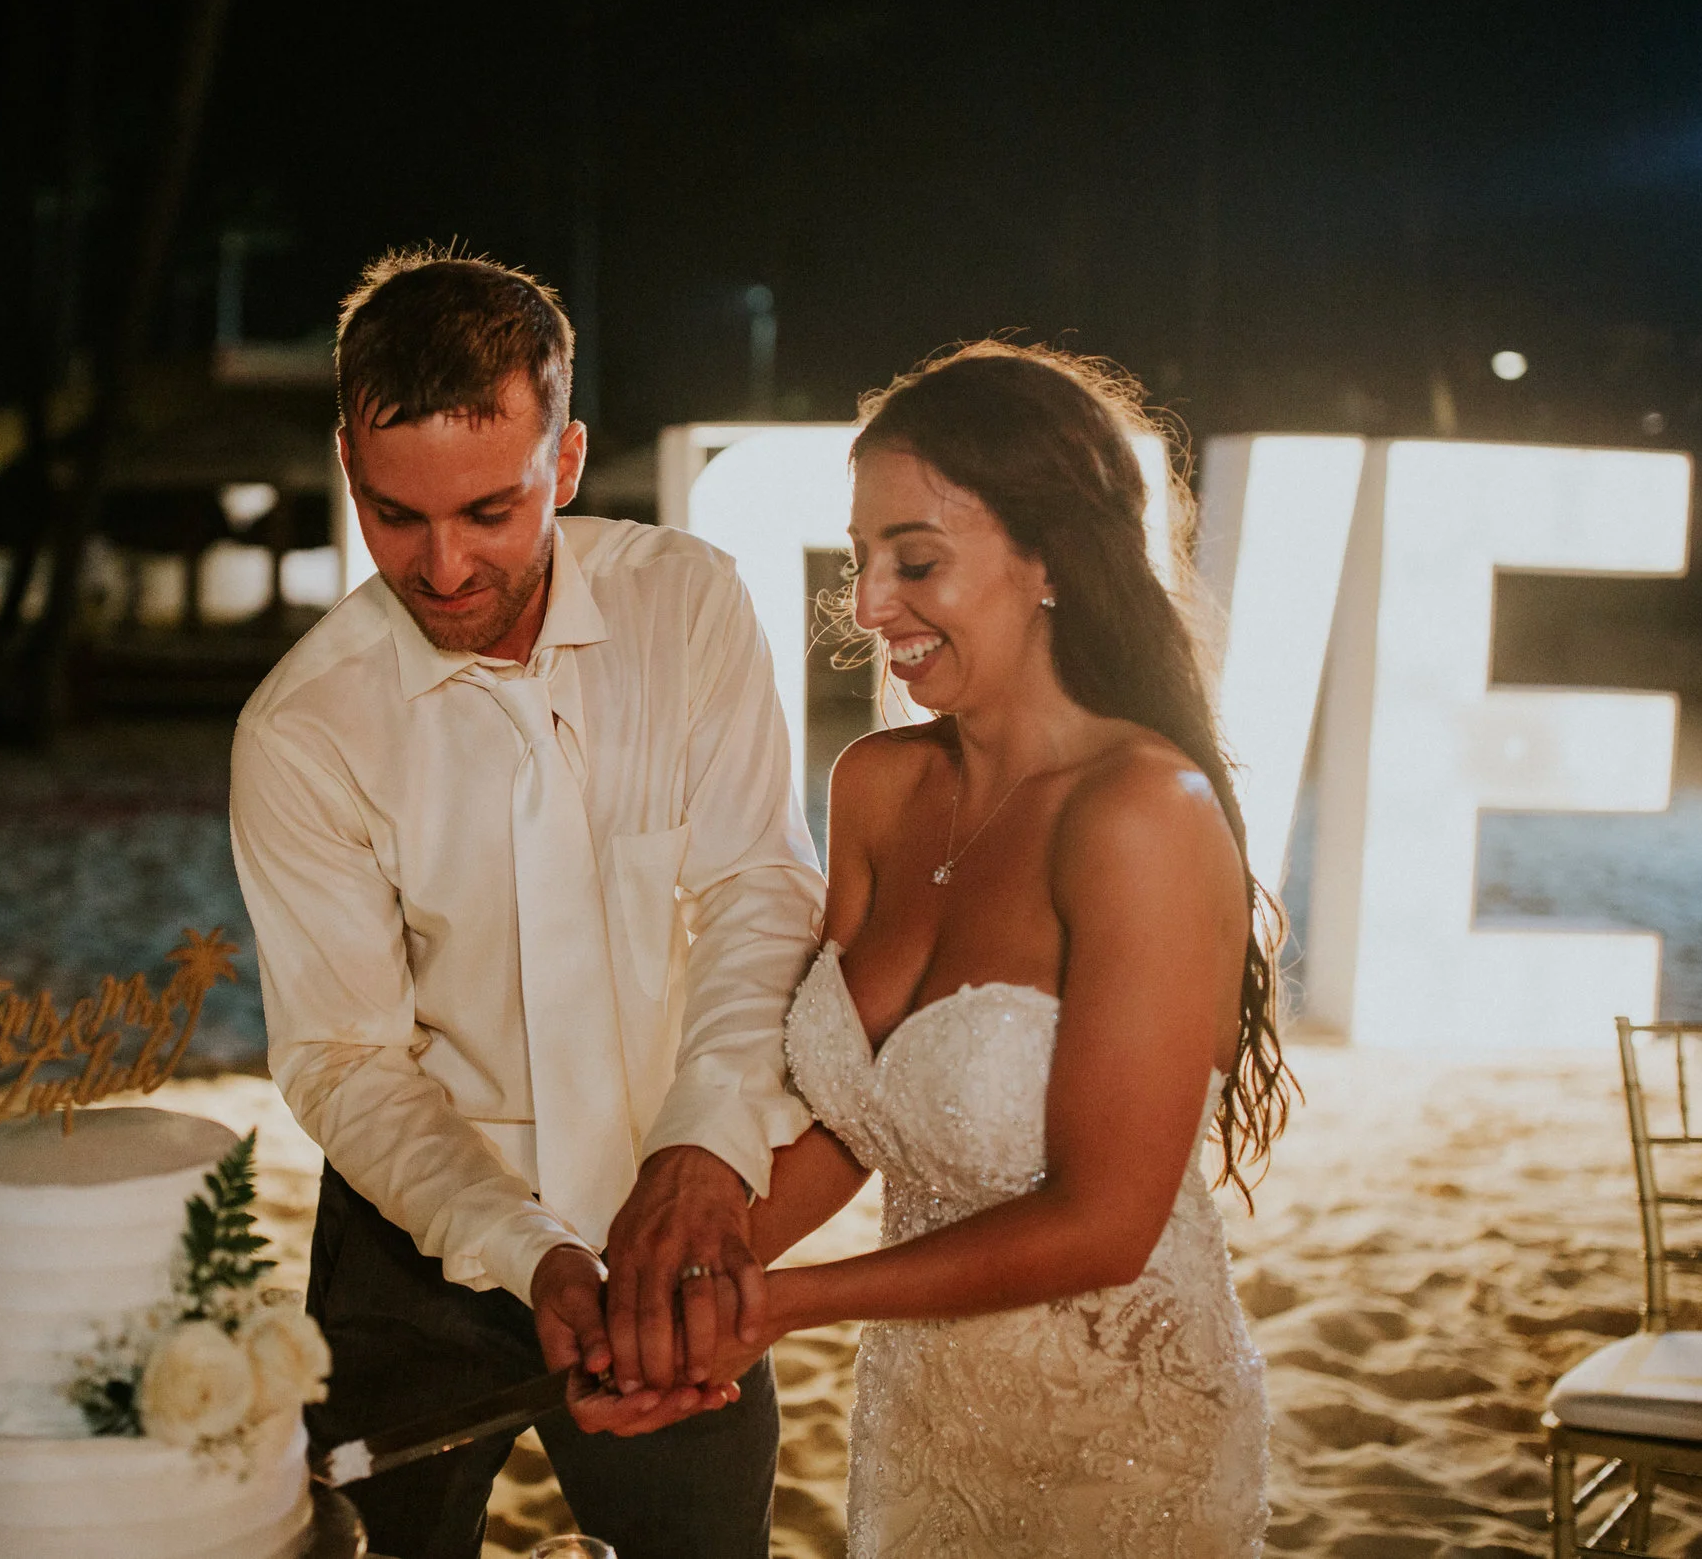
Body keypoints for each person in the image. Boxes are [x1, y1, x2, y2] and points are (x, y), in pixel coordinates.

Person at [229, 248, 822, 1559]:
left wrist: (704, 1153)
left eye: (490, 510)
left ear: (565, 459)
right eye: (397, 515)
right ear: (348, 463)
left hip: (680, 1225)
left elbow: (760, 892)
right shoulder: (300, 728)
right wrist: (527, 1246)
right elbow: (342, 1057)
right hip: (414, 1240)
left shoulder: (694, 605)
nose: (441, 566)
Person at [660, 343, 1289, 1556]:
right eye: (860, 560)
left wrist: (784, 1305)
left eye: (915, 560)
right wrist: (695, 1286)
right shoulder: (879, 786)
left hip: (1120, 1437)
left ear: (1048, 556)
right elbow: (855, 1123)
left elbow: (1104, 1220)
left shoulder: (1142, 813)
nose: (869, 604)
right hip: (921, 1429)